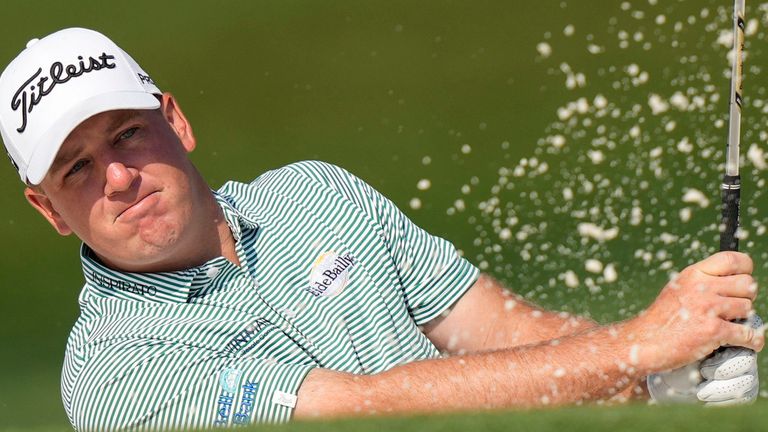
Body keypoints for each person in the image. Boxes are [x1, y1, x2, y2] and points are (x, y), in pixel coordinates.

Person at [0, 27, 763, 431]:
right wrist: (641, 344)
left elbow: (507, 335)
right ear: (47, 210)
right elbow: (364, 413)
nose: (120, 178)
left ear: (175, 120)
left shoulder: (314, 193)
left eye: (127, 135)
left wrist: (663, 382)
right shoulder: (112, 376)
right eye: (76, 168)